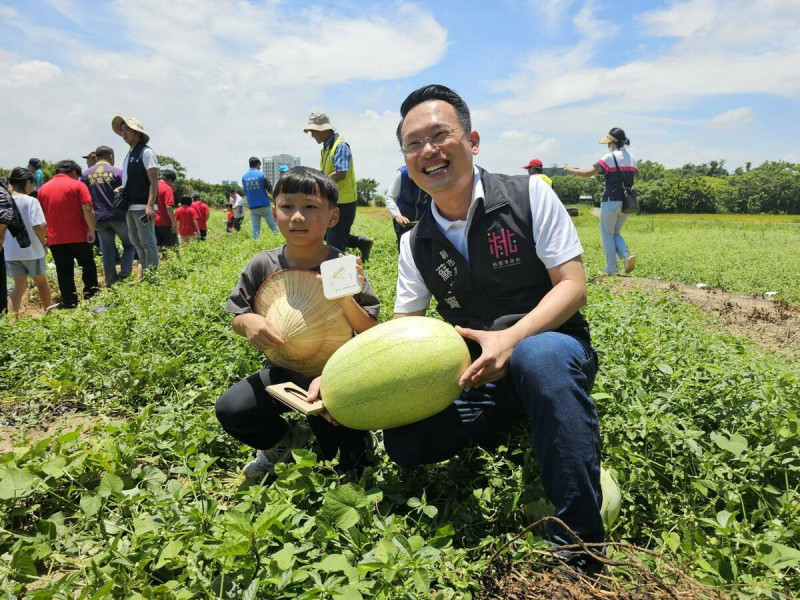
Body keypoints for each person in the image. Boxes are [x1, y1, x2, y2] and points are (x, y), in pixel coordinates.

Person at [380, 85, 604, 575]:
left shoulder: (529, 195)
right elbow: (403, 330)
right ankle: (534, 413)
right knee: (405, 444)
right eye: (413, 144)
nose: (428, 152)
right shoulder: (415, 242)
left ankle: (581, 548)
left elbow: (572, 287)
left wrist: (511, 339)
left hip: (554, 346)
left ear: (472, 140)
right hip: (478, 371)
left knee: (538, 360)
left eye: (439, 135)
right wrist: (333, 380)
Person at [215, 166, 380, 480]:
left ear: (333, 217)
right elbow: (238, 315)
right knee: (232, 410)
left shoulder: (341, 265)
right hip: (283, 373)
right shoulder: (263, 263)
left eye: (310, 207)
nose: (298, 217)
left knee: (350, 467)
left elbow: (369, 330)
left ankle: (356, 429)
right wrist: (247, 321)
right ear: (274, 212)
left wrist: (345, 297)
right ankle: (280, 441)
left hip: (337, 377)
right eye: (287, 207)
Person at [564, 128, 636, 276]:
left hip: (611, 200)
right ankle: (626, 255)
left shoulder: (609, 158)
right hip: (627, 202)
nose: (608, 145)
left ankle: (611, 268)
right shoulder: (632, 159)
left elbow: (587, 173)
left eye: (608, 142)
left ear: (613, 142)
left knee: (607, 234)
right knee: (615, 232)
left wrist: (570, 169)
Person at [303, 112, 374, 261]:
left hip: (343, 202)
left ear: (323, 130)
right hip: (333, 200)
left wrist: (318, 182)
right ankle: (361, 242)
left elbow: (341, 172)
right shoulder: (326, 148)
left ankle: (340, 278)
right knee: (327, 233)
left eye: (313, 131)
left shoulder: (340, 146)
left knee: (334, 245)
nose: (312, 136)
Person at [37, 160, 99, 308]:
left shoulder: (43, 189)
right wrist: (92, 229)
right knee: (87, 266)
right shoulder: (78, 185)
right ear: (73, 172)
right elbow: (87, 207)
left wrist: (46, 236)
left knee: (64, 271)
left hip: (55, 238)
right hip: (79, 235)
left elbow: (41, 216)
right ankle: (92, 297)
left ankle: (70, 303)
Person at [81, 146, 135, 285]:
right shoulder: (118, 172)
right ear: (111, 156)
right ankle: (124, 275)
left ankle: (111, 282)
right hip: (119, 217)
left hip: (98, 218)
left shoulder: (85, 175)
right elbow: (128, 190)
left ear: (96, 157)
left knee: (108, 251)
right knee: (129, 245)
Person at [112, 115, 160, 271]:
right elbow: (133, 179)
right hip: (130, 206)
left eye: (128, 130)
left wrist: (150, 205)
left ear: (138, 133)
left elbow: (154, 181)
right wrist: (122, 188)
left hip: (143, 206)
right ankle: (146, 271)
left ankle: (153, 274)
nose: (124, 133)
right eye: (122, 130)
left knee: (147, 241)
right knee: (135, 240)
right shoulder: (130, 154)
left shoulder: (146, 152)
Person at [3, 168, 53, 312]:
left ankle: (11, 321)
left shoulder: (5, 201)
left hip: (11, 252)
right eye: (33, 183)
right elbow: (37, 226)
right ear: (27, 182)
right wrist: (44, 243)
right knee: (41, 283)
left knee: (18, 287)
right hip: (32, 251)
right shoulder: (31, 201)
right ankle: (49, 314)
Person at [384, 163, 431, 248]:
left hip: (423, 219)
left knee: (422, 248)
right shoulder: (402, 174)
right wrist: (397, 216)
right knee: (403, 246)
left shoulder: (431, 174)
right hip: (402, 219)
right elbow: (390, 197)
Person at [241, 158, 278, 238]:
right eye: (259, 166)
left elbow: (246, 191)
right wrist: (276, 200)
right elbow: (270, 190)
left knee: (255, 228)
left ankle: (255, 244)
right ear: (258, 164)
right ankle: (279, 240)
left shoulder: (244, 177)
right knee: (273, 225)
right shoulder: (261, 175)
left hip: (252, 206)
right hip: (264, 204)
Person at [155, 171, 178, 250]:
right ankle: (168, 262)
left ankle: (154, 262)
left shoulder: (152, 185)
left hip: (152, 220)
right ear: (170, 180)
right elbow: (168, 206)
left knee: (157, 245)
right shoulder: (168, 189)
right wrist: (174, 222)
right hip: (165, 222)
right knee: (169, 247)